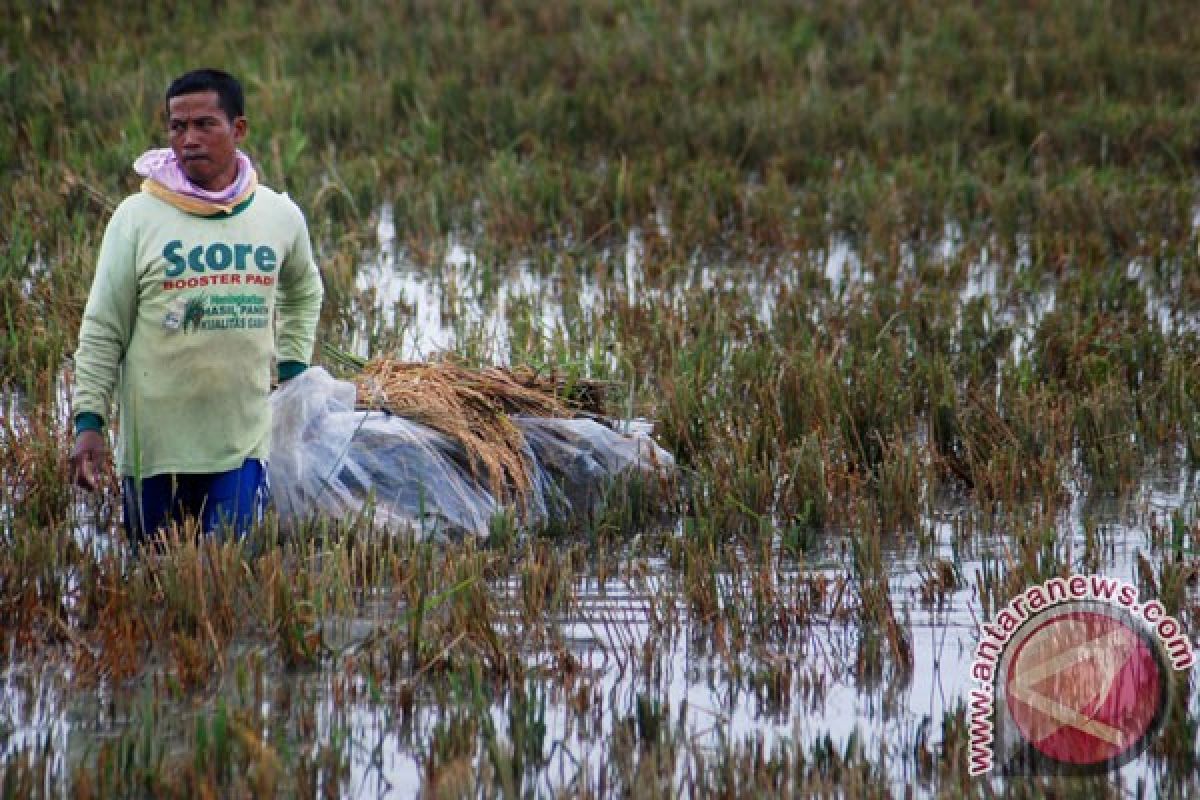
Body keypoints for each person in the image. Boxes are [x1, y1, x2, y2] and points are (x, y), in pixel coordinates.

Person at [69, 68, 324, 543]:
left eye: (204, 124)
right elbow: (103, 327)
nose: (188, 139)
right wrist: (90, 420)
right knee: (155, 587)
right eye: (177, 126)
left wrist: (292, 369)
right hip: (154, 452)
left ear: (239, 129)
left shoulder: (278, 216)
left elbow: (304, 290)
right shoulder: (136, 219)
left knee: (226, 584)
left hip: (240, 446)